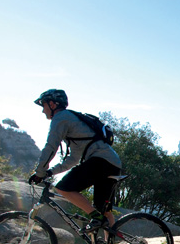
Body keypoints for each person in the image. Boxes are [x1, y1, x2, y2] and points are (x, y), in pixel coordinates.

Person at [28, 89, 122, 233]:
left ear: (52, 104)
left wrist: (39, 173)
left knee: (63, 188)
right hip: (112, 163)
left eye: (44, 105)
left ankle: (96, 218)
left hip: (101, 161)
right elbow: (73, 160)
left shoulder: (61, 117)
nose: (42, 110)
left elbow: (50, 147)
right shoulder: (74, 123)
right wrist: (50, 172)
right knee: (104, 211)